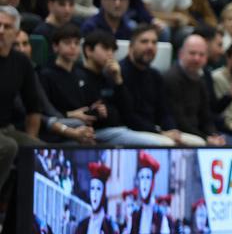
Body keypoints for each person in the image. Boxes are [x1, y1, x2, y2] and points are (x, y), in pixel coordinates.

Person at [41, 27, 174, 146]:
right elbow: (78, 110)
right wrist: (95, 112)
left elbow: (127, 110)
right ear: (88, 50)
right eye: (105, 48)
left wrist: (118, 80)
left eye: (112, 50)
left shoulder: (109, 75)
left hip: (117, 129)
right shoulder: (73, 75)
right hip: (95, 130)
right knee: (164, 143)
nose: (110, 54)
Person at [120, 24, 206, 146]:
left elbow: (165, 111)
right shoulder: (120, 73)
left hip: (154, 129)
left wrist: (172, 130)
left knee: (199, 142)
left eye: (154, 42)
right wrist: (160, 132)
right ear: (131, 46)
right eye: (144, 42)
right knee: (167, 144)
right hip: (129, 129)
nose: (150, 46)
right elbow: (128, 116)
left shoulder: (155, 75)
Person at [163, 33, 232, 147]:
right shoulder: (171, 78)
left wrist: (213, 135)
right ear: (181, 54)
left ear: (206, 58)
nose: (197, 58)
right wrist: (206, 138)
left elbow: (206, 115)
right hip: (181, 134)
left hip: (199, 133)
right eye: (192, 53)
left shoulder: (200, 77)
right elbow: (179, 120)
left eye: (201, 55)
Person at [0, 5, 42, 213]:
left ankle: (24, 216)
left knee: (41, 150)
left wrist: (31, 144)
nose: (0, 31)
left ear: (15, 34)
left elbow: (34, 105)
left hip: (6, 128)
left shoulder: (21, 62)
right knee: (7, 147)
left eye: (6, 26)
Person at [74, 161, 118, 234]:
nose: (94, 194)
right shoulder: (82, 225)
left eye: (98, 189)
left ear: (103, 192)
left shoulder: (109, 226)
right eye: (92, 188)